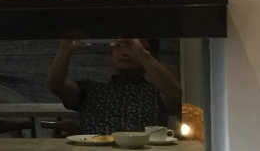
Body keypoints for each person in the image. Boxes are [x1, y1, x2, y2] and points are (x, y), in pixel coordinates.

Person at [46, 38, 182, 136]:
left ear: (152, 56)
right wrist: (65, 49)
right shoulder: (92, 90)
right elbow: (55, 85)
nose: (125, 53)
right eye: (119, 46)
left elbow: (174, 95)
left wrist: (141, 54)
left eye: (132, 47)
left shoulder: (156, 92)